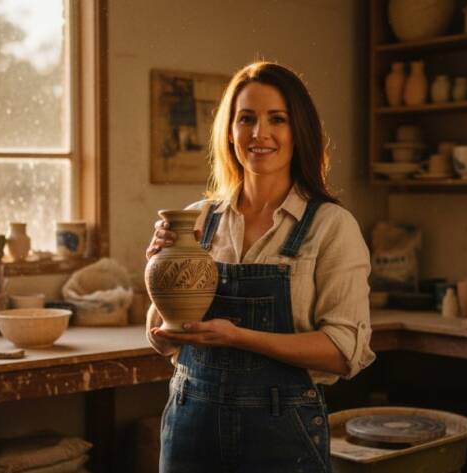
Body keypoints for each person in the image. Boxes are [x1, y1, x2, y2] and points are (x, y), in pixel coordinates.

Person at [145, 61, 375, 473]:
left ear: (298, 131)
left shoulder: (330, 227)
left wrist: (239, 338)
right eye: (246, 118)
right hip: (191, 426)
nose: (259, 134)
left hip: (281, 432)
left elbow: (343, 352)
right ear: (230, 132)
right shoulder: (198, 220)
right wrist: (160, 270)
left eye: (277, 119)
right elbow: (165, 342)